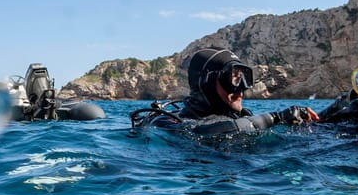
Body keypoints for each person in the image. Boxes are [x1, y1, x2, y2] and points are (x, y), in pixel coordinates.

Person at [130, 48, 318, 137]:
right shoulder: (166, 122)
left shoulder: (244, 117)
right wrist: (276, 117)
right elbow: (201, 132)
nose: (242, 89)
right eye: (234, 79)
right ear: (207, 82)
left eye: (245, 79)